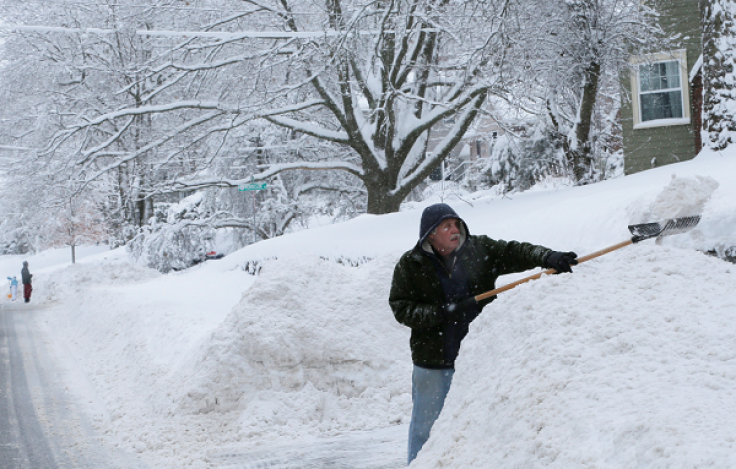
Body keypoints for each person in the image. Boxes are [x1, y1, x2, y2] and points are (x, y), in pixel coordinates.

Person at [389, 203, 578, 465]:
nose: (455, 230)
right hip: (433, 362)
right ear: (430, 234)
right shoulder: (411, 265)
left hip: (479, 359)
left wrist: (547, 257)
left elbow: (515, 251)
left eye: (456, 224)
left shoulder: (479, 250)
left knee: (478, 427)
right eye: (447, 226)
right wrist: (439, 313)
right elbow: (401, 308)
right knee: (426, 428)